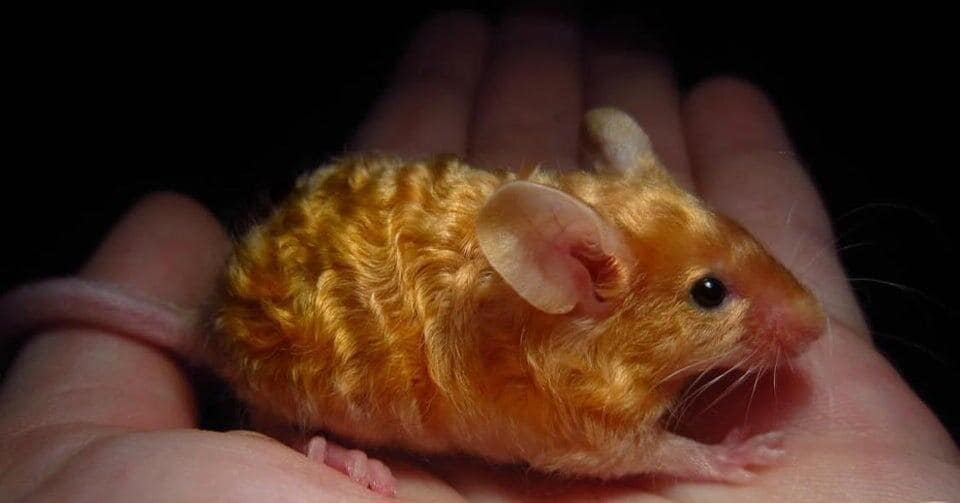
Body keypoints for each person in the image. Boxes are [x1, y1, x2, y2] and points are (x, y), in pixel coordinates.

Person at [1, 12, 957, 501]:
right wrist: (705, 460)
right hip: (288, 342)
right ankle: (290, 424)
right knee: (311, 356)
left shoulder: (581, 273)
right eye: (712, 293)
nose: (799, 322)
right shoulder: (564, 369)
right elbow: (572, 440)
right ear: (576, 274)